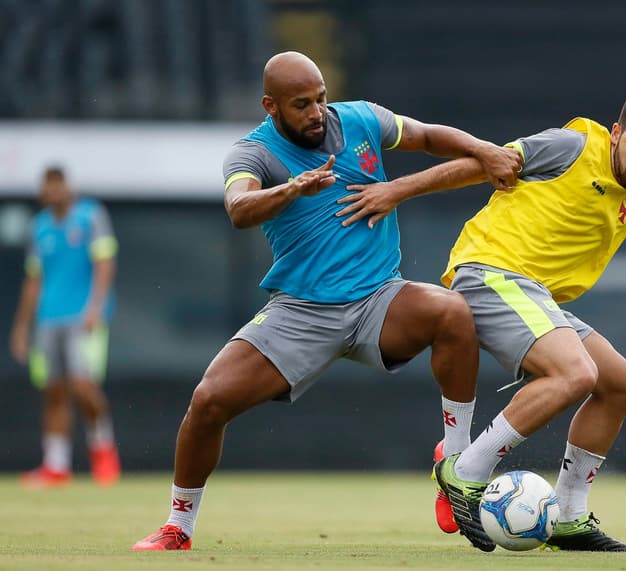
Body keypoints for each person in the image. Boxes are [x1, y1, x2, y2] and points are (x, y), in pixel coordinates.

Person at [335, 90, 626, 552]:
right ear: (614, 134)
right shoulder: (572, 146)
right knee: (575, 373)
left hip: (535, 297)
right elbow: (486, 164)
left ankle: (568, 517)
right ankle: (466, 472)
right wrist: (397, 188)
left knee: (619, 383)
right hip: (491, 273)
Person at [131, 51, 521, 551]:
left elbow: (426, 135)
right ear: (270, 106)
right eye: (301, 104)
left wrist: (486, 151)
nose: (316, 112)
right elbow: (239, 208)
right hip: (300, 313)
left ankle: (457, 462)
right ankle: (177, 527)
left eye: (320, 98)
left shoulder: (358, 118)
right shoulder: (251, 154)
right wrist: (292, 189)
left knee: (450, 311)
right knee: (208, 402)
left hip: (379, 298)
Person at [9, 166, 122, 489]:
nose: (53, 192)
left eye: (57, 185)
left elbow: (104, 263)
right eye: (48, 186)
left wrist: (96, 307)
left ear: (66, 186)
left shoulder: (90, 216)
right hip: (48, 319)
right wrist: (21, 327)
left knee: (82, 386)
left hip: (82, 317)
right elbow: (34, 280)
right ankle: (55, 465)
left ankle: (103, 448)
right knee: (54, 390)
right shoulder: (39, 227)